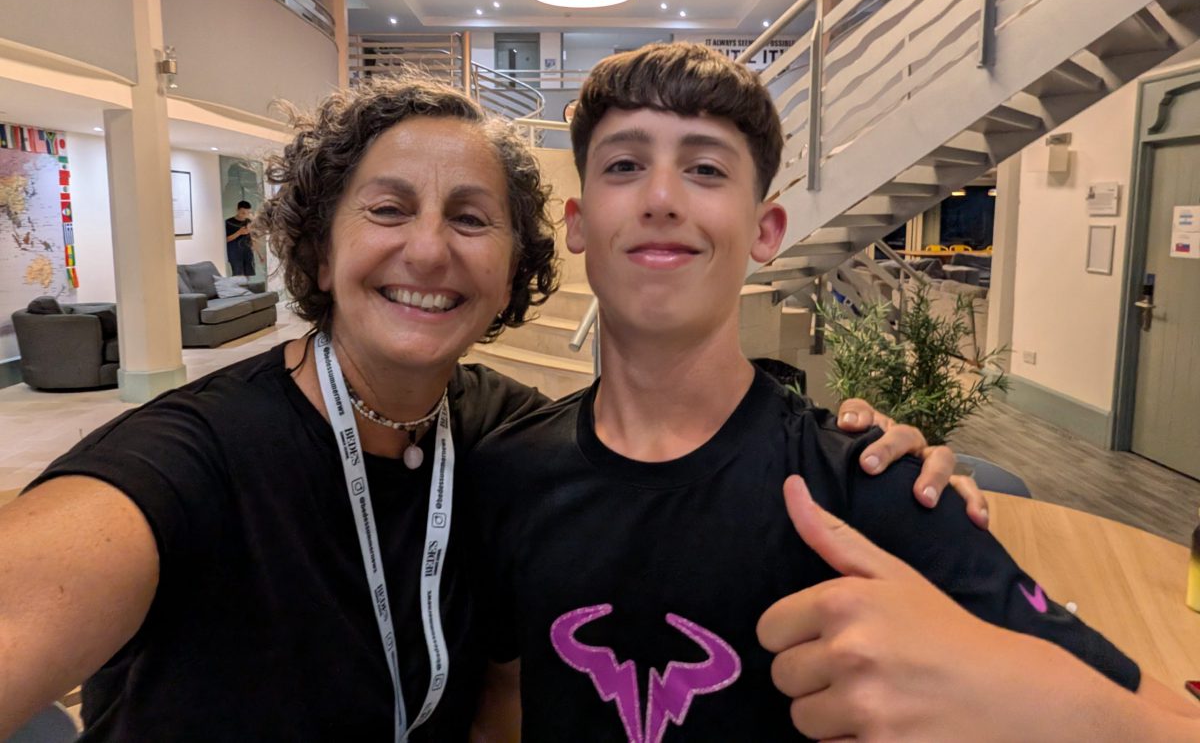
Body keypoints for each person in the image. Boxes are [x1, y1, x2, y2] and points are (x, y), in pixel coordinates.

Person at [0, 76, 967, 740]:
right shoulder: (186, 460)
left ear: (511, 269)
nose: (428, 250)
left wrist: (868, 446)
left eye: (469, 219)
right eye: (387, 210)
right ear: (321, 249)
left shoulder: (506, 436)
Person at [466, 43, 1199, 741]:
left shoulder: (874, 489)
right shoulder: (508, 472)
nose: (661, 197)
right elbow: (503, 699)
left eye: (706, 170)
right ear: (578, 222)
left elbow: (1165, 719)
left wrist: (1019, 694)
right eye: (625, 166)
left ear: (766, 230)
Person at [225, 199, 256, 277]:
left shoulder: (249, 222)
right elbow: (225, 240)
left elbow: (253, 239)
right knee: (238, 275)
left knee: (248, 275)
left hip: (248, 252)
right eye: (243, 213)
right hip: (234, 253)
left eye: (248, 213)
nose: (245, 215)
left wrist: (259, 255)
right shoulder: (228, 222)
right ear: (237, 210)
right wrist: (239, 233)